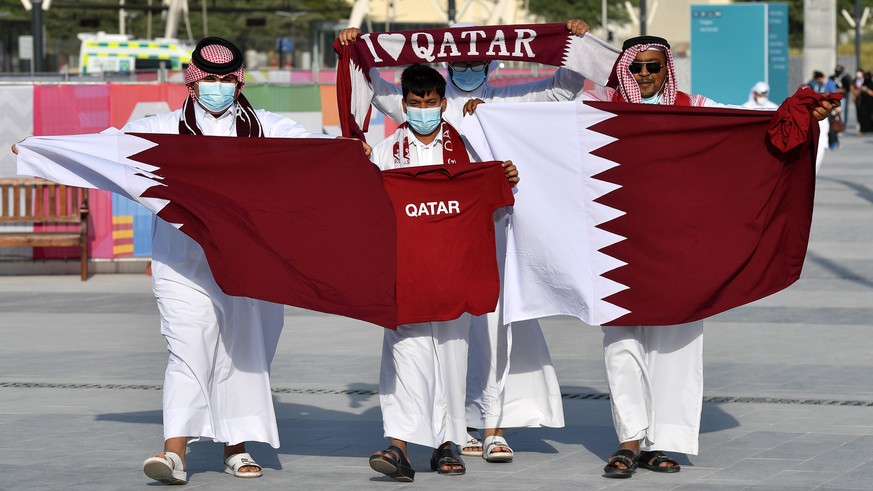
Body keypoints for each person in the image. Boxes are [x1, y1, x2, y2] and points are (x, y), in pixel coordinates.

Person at [338, 19, 595, 463]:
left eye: (478, 60)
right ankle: (435, 435)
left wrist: (576, 42)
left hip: (482, 238)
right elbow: (371, 85)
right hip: (418, 254)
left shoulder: (505, 101)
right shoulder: (410, 116)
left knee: (489, 332)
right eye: (461, 59)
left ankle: (489, 427)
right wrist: (351, 48)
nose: (424, 108)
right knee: (420, 346)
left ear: (493, 60)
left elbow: (561, 88)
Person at [580, 35, 837, 479]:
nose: (643, 75)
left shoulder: (694, 105)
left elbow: (749, 128)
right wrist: (485, 114)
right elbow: (542, 124)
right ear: (624, 67)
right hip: (615, 244)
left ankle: (664, 443)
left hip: (680, 248)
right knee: (621, 345)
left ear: (666, 68)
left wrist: (800, 114)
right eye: (635, 67)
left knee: (677, 345)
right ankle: (628, 440)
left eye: (652, 67)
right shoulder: (596, 106)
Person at [123, 37, 367, 485]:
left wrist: (349, 151)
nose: (217, 87)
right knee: (188, 349)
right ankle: (174, 451)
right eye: (209, 79)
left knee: (245, 353)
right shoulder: (159, 127)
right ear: (192, 82)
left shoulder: (266, 128)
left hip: (252, 264)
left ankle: (236, 447)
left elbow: (318, 149)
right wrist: (43, 149)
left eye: (225, 80)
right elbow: (101, 150)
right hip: (182, 264)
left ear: (238, 82)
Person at [367, 63, 519, 482]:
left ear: (442, 103)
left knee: (452, 361)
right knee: (404, 359)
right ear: (403, 105)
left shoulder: (469, 151)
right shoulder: (383, 153)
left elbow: (496, 207)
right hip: (405, 278)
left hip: (453, 275)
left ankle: (446, 444)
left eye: (430, 103)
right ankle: (398, 446)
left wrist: (506, 179)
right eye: (414, 104)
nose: (422, 110)